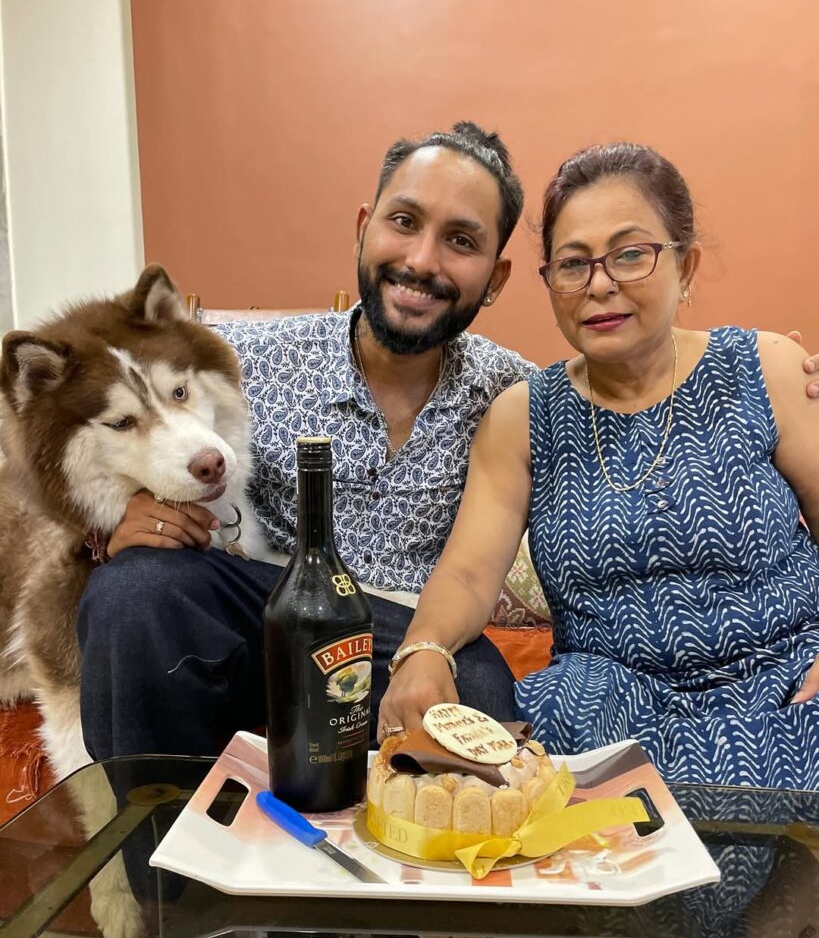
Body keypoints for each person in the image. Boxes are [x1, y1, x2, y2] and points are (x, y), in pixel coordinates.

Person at [78, 121, 537, 759]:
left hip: (408, 630)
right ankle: (158, 854)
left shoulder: (516, 393)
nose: (421, 260)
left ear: (497, 276)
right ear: (362, 228)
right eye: (403, 221)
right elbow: (98, 431)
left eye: (461, 240)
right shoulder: (242, 362)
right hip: (260, 611)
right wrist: (117, 522)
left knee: (482, 690)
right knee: (134, 591)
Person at [378, 142, 819, 789]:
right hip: (604, 697)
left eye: (630, 254)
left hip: (782, 672)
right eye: (572, 263)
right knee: (523, 787)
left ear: (685, 266)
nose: (600, 283)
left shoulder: (768, 369)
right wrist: (422, 650)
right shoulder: (522, 415)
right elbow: (468, 574)